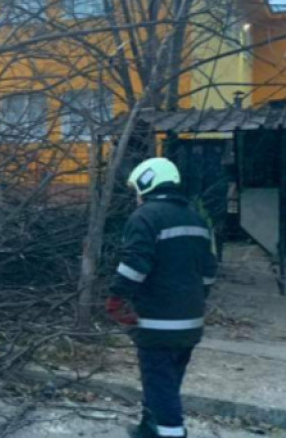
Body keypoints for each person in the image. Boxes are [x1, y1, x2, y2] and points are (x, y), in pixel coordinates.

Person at [107, 158, 217, 438]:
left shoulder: (145, 217)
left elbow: (135, 265)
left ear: (147, 182)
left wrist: (117, 296)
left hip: (157, 322)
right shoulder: (196, 218)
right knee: (167, 381)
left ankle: (169, 431)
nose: (137, 197)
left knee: (159, 383)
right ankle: (149, 427)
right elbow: (208, 272)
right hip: (190, 322)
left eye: (137, 190)